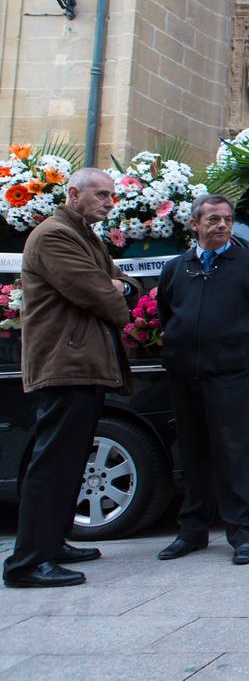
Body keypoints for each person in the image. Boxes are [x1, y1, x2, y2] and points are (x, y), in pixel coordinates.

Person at [3, 168, 137, 588]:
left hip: (81, 364)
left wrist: (119, 287)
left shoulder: (83, 235)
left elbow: (123, 283)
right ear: (74, 194)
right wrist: (115, 293)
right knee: (53, 464)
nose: (109, 203)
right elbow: (96, 290)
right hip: (65, 365)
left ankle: (53, 542)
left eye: (112, 196)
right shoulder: (54, 235)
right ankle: (27, 562)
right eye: (101, 195)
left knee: (71, 461)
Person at [155, 194, 249, 567]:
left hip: (231, 375)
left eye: (227, 220)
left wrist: (244, 361)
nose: (222, 225)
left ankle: (243, 534)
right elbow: (166, 314)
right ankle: (192, 531)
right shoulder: (176, 268)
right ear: (194, 225)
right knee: (192, 452)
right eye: (214, 219)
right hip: (185, 374)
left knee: (234, 453)